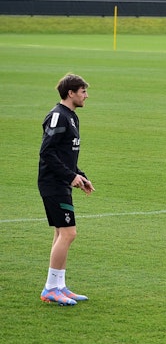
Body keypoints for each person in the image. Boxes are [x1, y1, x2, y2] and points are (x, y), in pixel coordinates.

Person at [38, 73, 94, 306]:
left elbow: (65, 154)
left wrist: (79, 176)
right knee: (69, 233)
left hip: (62, 181)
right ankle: (50, 287)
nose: (86, 96)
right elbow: (47, 152)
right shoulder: (58, 117)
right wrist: (69, 176)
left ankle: (59, 285)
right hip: (53, 183)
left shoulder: (71, 116)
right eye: (83, 92)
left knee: (61, 233)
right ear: (70, 93)